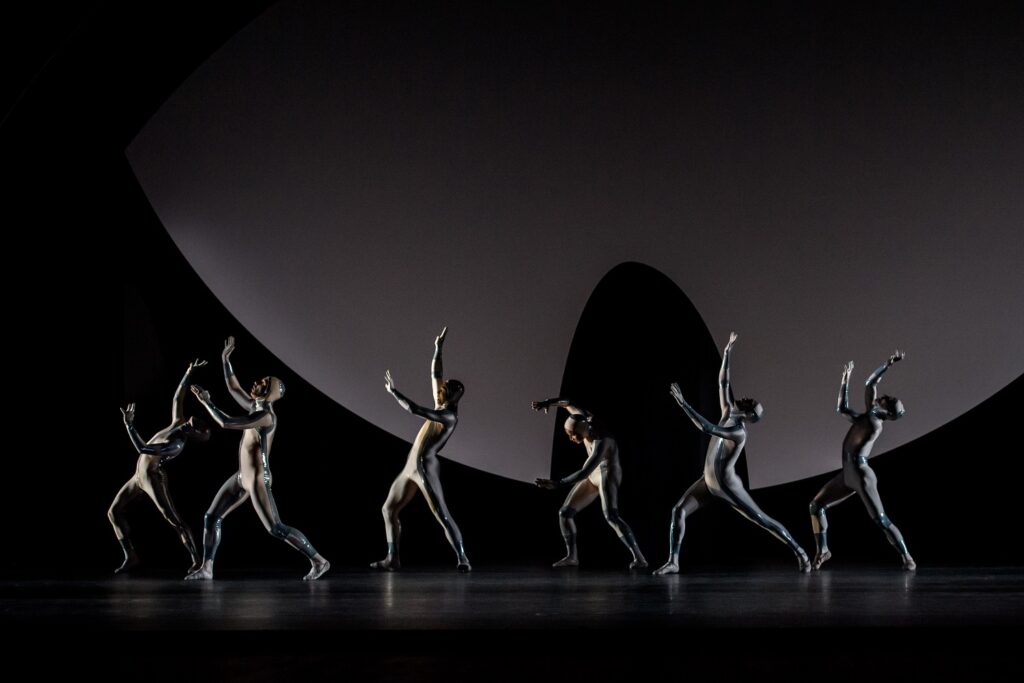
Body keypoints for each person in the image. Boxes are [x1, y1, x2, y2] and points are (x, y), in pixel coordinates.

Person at [655, 332, 810, 574]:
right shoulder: (728, 412)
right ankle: (673, 562)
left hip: (727, 486)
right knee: (678, 511)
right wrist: (727, 353)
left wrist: (684, 404)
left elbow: (707, 428)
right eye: (750, 400)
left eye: (749, 405)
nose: (746, 399)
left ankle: (799, 551)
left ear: (748, 416)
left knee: (761, 519)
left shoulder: (738, 431)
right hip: (708, 482)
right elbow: (723, 383)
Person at [186, 336, 330, 581]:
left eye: (264, 383)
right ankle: (207, 568)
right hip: (242, 476)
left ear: (270, 392)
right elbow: (233, 388)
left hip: (258, 479)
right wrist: (225, 359)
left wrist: (207, 402)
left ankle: (319, 560)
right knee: (211, 516)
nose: (257, 383)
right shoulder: (255, 407)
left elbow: (226, 422)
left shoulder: (266, 416)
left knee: (276, 528)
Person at [372, 327, 471, 572]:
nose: (442, 386)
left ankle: (463, 558)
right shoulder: (442, 403)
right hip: (410, 465)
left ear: (454, 396)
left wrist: (394, 392)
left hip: (425, 466)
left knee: (442, 514)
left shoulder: (448, 415)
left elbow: (416, 410)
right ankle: (392, 558)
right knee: (388, 509)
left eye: (447, 387)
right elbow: (435, 373)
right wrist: (438, 349)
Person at [808, 352, 916, 570]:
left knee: (881, 519)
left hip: (861, 475)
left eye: (887, 400)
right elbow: (870, 383)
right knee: (816, 505)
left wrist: (846, 381)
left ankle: (907, 557)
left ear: (886, 410)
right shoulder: (873, 413)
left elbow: (843, 408)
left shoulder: (873, 422)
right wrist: (887, 363)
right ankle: (824, 550)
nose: (883, 397)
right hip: (848, 473)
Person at [110, 360, 211, 573]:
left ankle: (196, 560)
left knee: (172, 518)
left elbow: (143, 448)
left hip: (151, 477)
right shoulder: (178, 423)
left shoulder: (176, 444)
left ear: (194, 434)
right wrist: (188, 372)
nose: (194, 422)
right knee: (113, 512)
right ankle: (131, 556)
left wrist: (129, 425)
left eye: (197, 427)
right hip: (138, 476)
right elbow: (177, 397)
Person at [532, 398, 647, 570]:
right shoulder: (582, 417)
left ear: (584, 429)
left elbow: (584, 471)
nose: (572, 438)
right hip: (593, 474)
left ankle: (640, 558)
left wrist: (558, 484)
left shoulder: (602, 440)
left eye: (574, 435)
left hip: (608, 474)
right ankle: (572, 557)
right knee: (565, 513)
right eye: (569, 434)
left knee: (611, 515)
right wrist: (549, 402)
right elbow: (568, 403)